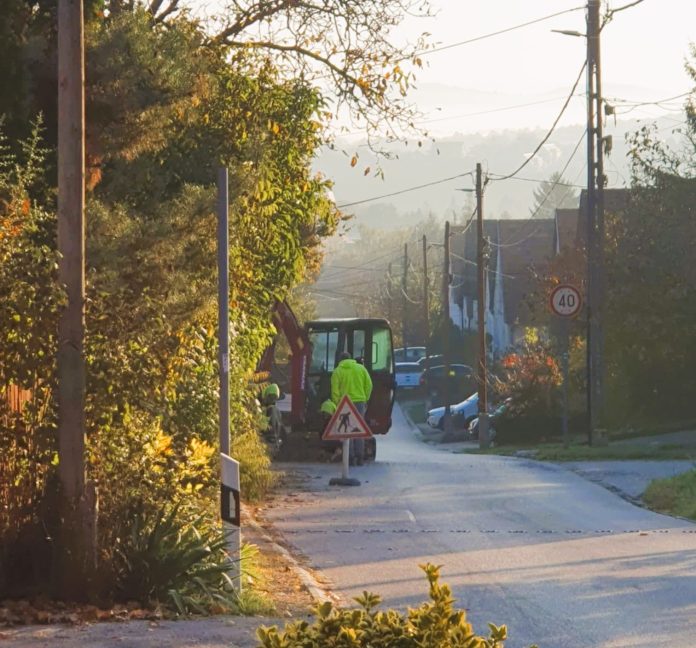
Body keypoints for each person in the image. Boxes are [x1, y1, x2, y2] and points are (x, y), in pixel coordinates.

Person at [331, 351, 372, 465]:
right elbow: (369, 385)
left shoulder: (337, 371)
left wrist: (338, 404)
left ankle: (350, 457)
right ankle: (360, 457)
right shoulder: (361, 369)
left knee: (347, 431)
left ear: (340, 360)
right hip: (359, 402)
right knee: (358, 430)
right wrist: (365, 398)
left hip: (345, 405)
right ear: (351, 358)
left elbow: (334, 391)